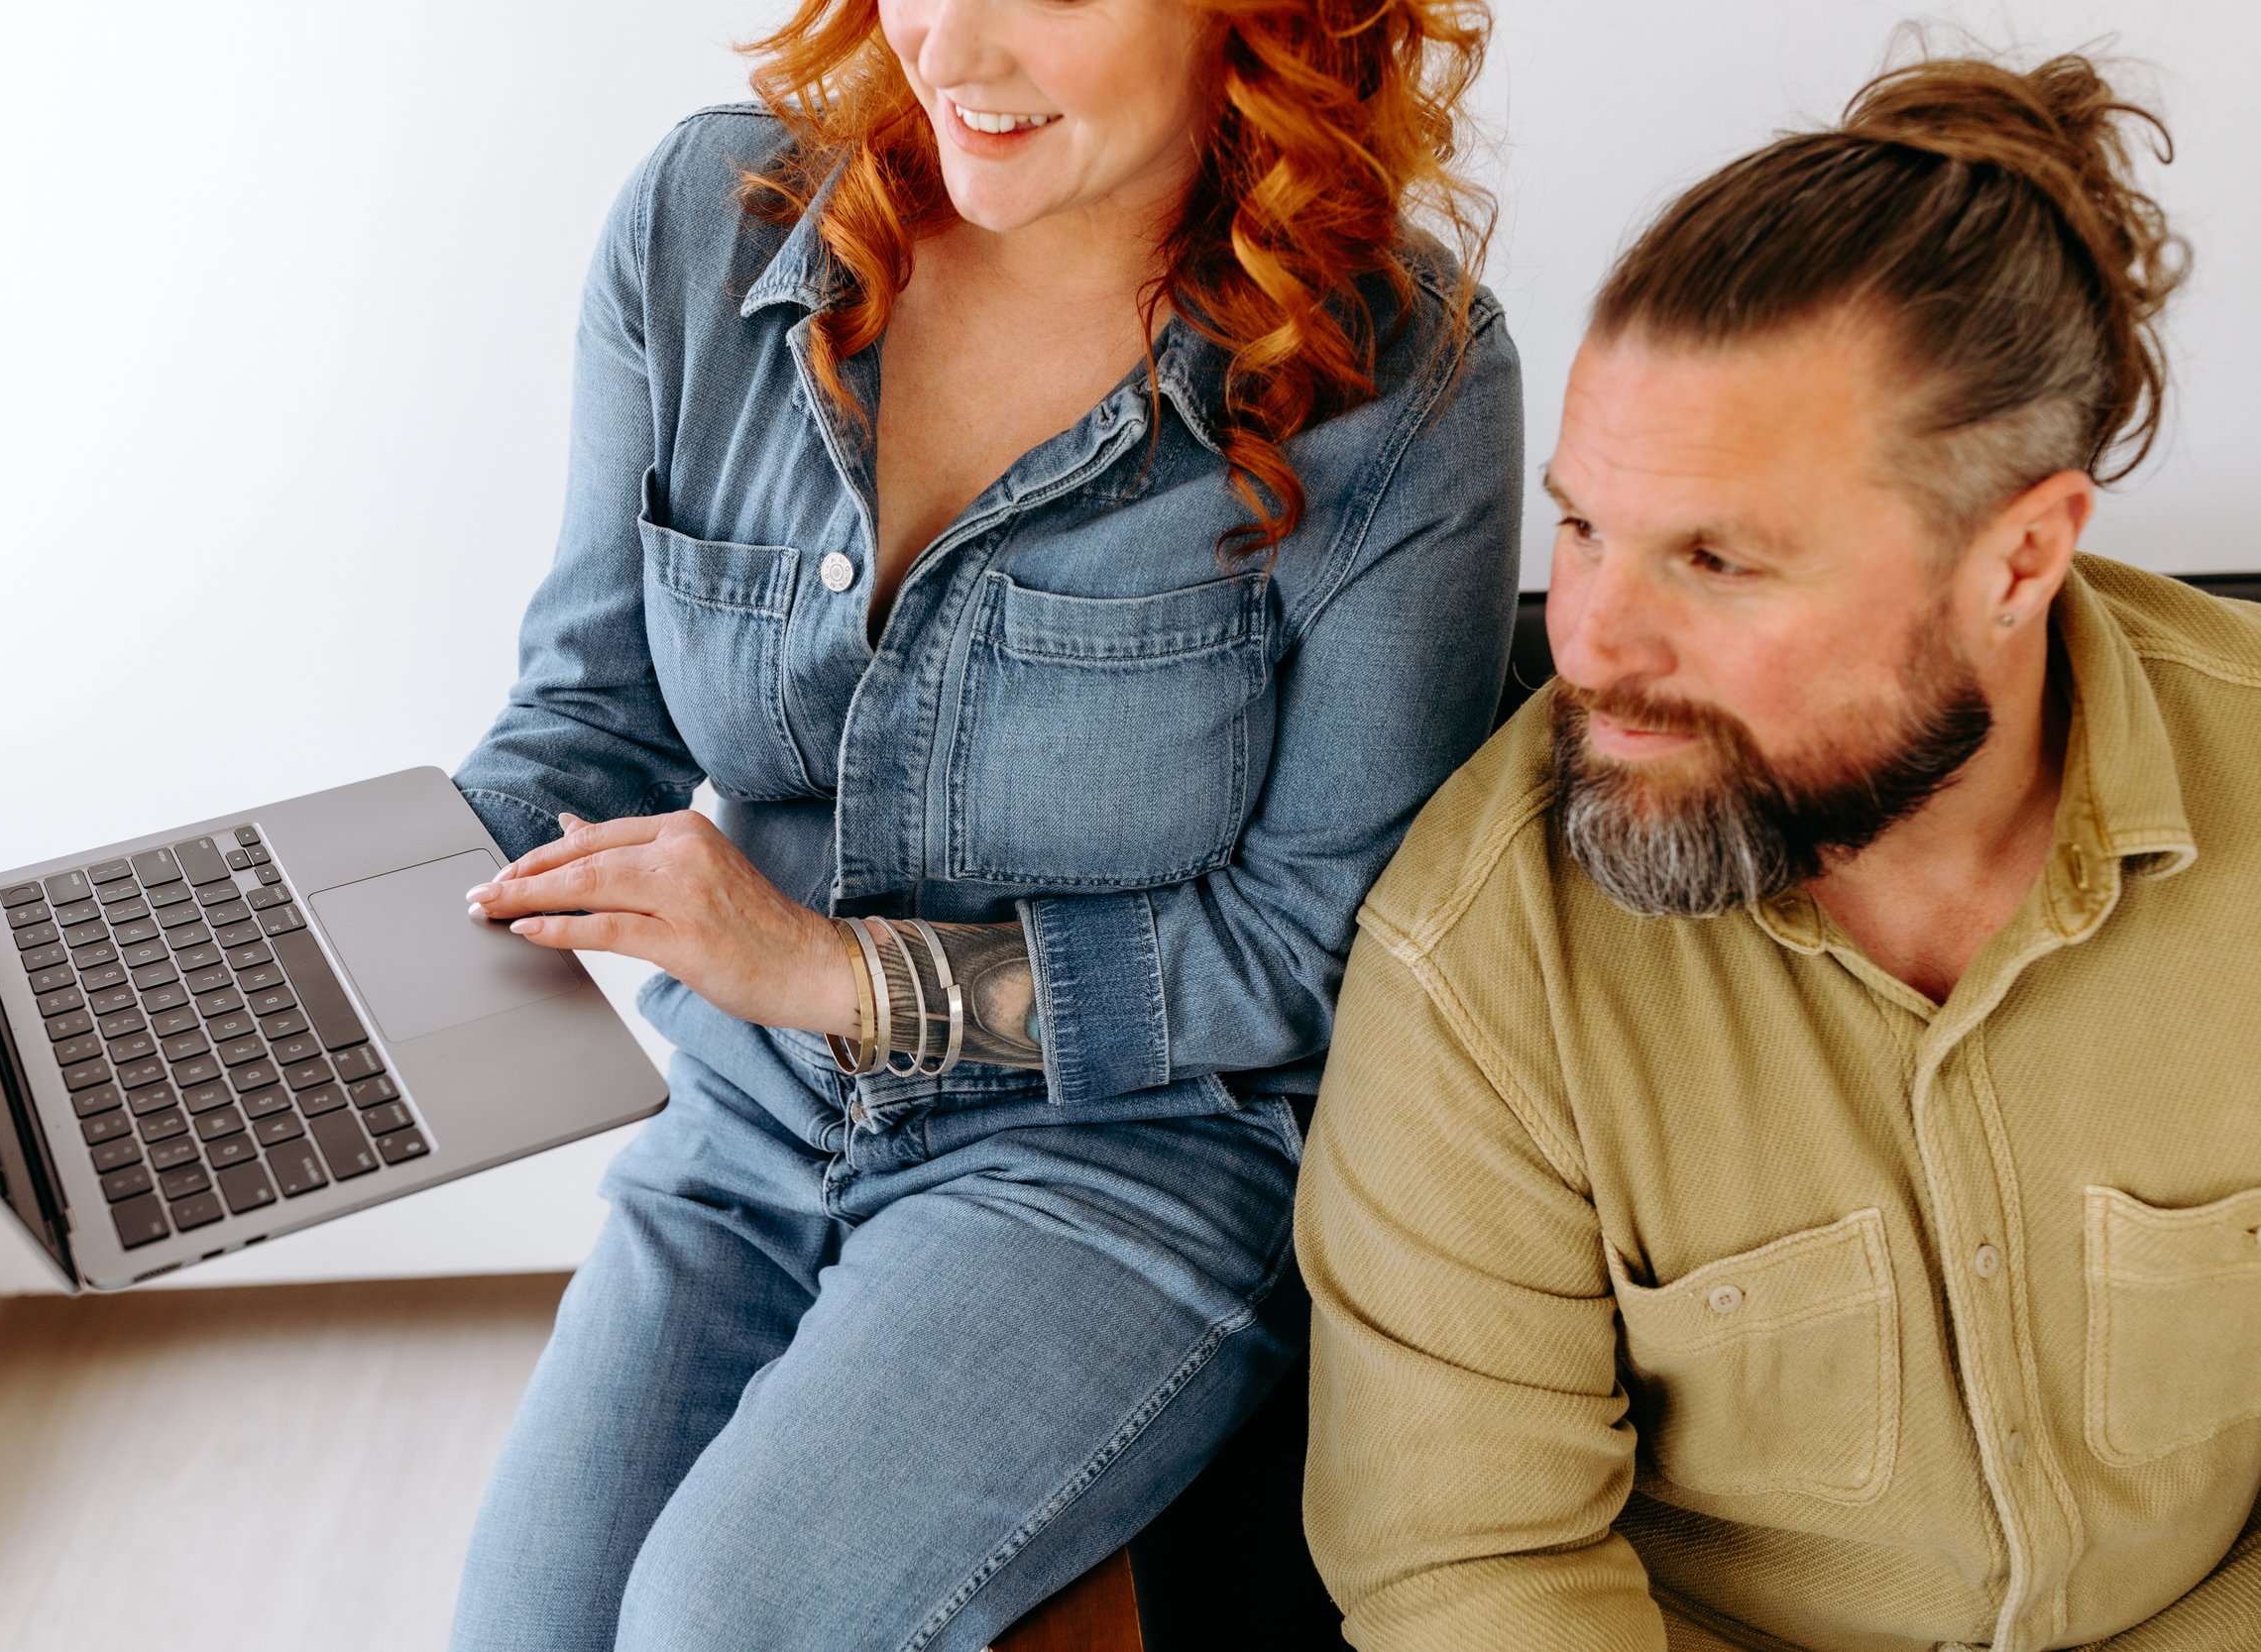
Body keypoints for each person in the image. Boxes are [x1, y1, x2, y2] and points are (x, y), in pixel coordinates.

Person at [443, 0, 1523, 1643]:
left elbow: (1305, 954)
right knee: (526, 1630)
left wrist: (834, 974)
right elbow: (591, 715)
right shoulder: (708, 223)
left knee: (721, 1625)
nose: (950, 48)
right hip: (749, 1118)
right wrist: (355, 938)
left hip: (1133, 1156)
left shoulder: (1404, 388)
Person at [1298, 51, 2261, 1652]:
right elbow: (1473, 1576)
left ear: (2020, 557)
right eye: (1585, 528)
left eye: (1719, 559)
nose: (1595, 642)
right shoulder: (1480, 959)